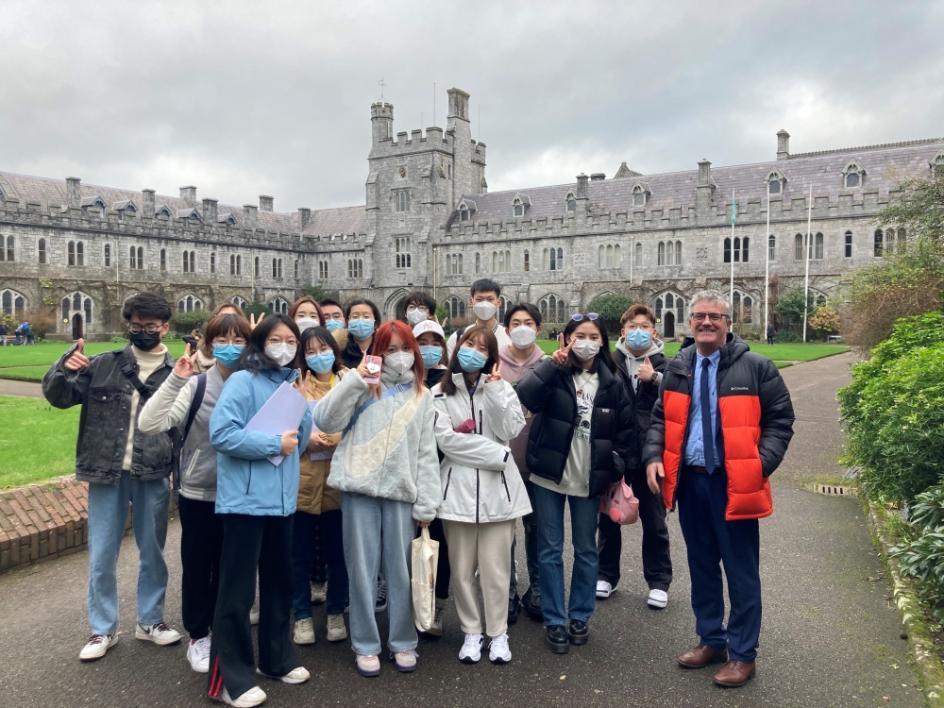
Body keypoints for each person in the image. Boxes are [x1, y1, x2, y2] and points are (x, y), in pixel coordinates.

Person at [644, 290, 795, 688]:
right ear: (690, 323)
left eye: (715, 316)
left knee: (741, 572)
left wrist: (759, 466)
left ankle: (743, 654)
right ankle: (712, 639)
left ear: (729, 323)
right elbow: (660, 419)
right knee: (702, 565)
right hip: (690, 481)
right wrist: (653, 456)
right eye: (699, 316)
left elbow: (781, 421)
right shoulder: (679, 367)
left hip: (734, 483)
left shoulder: (756, 367)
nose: (706, 322)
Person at [41, 292, 182, 661]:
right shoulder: (103, 364)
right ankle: (102, 629)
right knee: (102, 553)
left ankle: (150, 621)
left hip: (152, 472)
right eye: (137, 326)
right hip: (106, 472)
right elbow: (59, 397)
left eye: (151, 326)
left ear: (165, 327)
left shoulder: (177, 372)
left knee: (152, 552)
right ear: (128, 326)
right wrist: (63, 367)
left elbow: (181, 430)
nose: (144, 332)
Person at [312, 320, 440, 678]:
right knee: (362, 570)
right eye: (389, 349)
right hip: (359, 490)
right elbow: (325, 419)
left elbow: (426, 452)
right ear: (377, 353)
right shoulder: (362, 387)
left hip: (400, 492)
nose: (398, 357)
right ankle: (366, 643)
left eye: (404, 349)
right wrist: (355, 380)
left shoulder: (422, 394)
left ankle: (403, 640)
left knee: (400, 570)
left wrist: (427, 502)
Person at [207, 314, 313, 707]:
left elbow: (297, 444)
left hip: (282, 503)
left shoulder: (290, 384)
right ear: (261, 343)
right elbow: (222, 433)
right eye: (277, 340)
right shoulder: (242, 381)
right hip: (245, 503)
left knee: (279, 583)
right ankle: (228, 680)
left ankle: (276, 658)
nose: (284, 347)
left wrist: (301, 409)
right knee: (235, 592)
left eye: (291, 341)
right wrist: (272, 443)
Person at [137, 312, 252, 673]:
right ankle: (199, 635)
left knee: (234, 571)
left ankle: (227, 633)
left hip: (246, 496)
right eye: (222, 340)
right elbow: (150, 422)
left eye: (238, 340)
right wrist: (175, 379)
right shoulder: (198, 386)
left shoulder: (257, 384)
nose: (230, 347)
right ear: (210, 344)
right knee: (199, 568)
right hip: (202, 492)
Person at [516, 313, 635, 654]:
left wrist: (614, 464)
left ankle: (580, 615)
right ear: (567, 339)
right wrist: (553, 366)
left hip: (588, 477)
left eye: (593, 336)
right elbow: (526, 396)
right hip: (550, 474)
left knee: (585, 549)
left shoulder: (612, 379)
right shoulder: (555, 371)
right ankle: (555, 619)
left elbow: (627, 432)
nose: (586, 342)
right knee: (550, 549)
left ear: (603, 341)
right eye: (579, 335)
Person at [432, 325, 529, 665]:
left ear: (490, 357)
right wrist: (497, 455)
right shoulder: (438, 394)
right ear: (457, 347)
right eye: (468, 343)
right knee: (461, 570)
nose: (473, 350)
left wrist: (500, 392)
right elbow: (447, 442)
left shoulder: (500, 389)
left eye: (482, 348)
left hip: (498, 494)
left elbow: (510, 430)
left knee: (496, 570)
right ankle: (471, 631)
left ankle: (498, 633)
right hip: (455, 493)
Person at [596, 304, 673, 608]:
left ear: (654, 331)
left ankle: (658, 581)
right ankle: (606, 576)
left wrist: (654, 378)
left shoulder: (667, 363)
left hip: (650, 456)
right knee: (609, 518)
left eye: (644, 326)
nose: (638, 332)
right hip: (616, 452)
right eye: (632, 326)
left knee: (654, 522)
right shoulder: (609, 362)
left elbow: (683, 395)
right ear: (623, 330)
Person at [292, 326, 350, 646]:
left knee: (338, 555)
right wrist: (306, 438)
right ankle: (301, 616)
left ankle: (335, 612)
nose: (319, 356)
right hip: (304, 481)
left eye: (323, 348)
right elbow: (282, 430)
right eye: (310, 351)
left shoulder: (348, 383)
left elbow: (361, 424)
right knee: (298, 556)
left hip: (338, 483)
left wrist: (338, 438)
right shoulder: (295, 385)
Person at [498, 303, 547, 623]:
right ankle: (508, 592)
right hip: (501, 462)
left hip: (536, 461)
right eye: (516, 322)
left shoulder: (548, 364)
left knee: (537, 529)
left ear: (538, 328)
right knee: (504, 534)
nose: (522, 328)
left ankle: (539, 590)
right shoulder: (493, 362)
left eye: (528, 322)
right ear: (506, 328)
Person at [413, 318, 451, 636]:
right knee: (410, 545)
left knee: (440, 544)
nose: (428, 348)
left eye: (435, 342)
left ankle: (437, 604)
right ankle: (414, 605)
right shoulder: (404, 381)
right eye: (422, 341)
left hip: (443, 472)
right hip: (408, 474)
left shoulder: (448, 381)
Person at [445, 279, 511, 356]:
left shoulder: (509, 338)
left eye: (490, 299)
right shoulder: (457, 338)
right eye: (479, 299)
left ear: (499, 302)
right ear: (471, 302)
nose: (485, 304)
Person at [341, 298, 381, 368]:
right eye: (355, 317)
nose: (360, 320)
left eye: (366, 316)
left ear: (375, 322)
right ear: (348, 321)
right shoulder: (340, 349)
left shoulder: (382, 348)